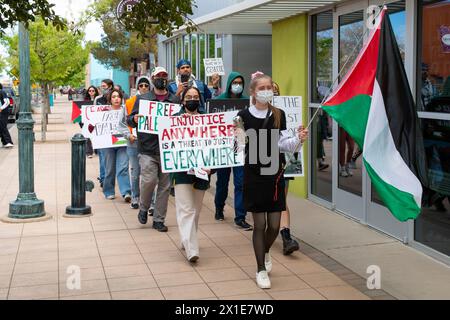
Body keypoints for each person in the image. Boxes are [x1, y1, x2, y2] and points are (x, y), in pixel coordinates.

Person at [237, 72, 308, 289]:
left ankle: (266, 250)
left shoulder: (279, 114)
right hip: (253, 176)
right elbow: (239, 147)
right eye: (262, 88)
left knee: (274, 226)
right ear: (253, 91)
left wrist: (299, 139)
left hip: (275, 174)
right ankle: (260, 269)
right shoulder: (242, 116)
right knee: (260, 224)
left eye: (269, 87)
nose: (266, 91)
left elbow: (286, 144)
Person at [127, 66, 179, 232]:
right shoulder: (143, 99)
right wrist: (134, 118)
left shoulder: (174, 101)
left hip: (167, 149)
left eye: (164, 76)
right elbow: (129, 120)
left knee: (164, 187)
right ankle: (143, 207)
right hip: (147, 148)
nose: (162, 78)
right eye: (159, 76)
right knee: (148, 181)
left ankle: (159, 219)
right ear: (153, 78)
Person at [172, 87, 214, 262]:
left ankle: (187, 238)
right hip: (181, 172)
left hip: (202, 171)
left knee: (195, 211)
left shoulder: (209, 120)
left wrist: (213, 166)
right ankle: (192, 250)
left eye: (196, 97)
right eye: (188, 96)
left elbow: (216, 146)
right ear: (182, 100)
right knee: (186, 209)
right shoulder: (174, 120)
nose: (192, 99)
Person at [214, 71, 252, 230]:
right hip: (223, 147)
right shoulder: (218, 101)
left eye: (240, 83)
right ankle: (219, 207)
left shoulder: (247, 102)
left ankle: (240, 217)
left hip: (240, 147)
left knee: (240, 182)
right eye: (235, 82)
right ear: (229, 83)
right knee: (222, 181)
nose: (237, 85)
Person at [272, 81, 300, 255]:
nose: (272, 93)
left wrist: (300, 136)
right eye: (268, 90)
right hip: (262, 165)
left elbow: (290, 141)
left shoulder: (285, 112)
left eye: (275, 90)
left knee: (281, 199)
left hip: (284, 162)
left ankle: (286, 237)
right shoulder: (253, 113)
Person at [121, 75, 152, 209]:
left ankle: (149, 201)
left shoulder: (154, 101)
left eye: (146, 85)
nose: (144, 88)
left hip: (149, 143)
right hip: (133, 142)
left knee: (149, 174)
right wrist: (128, 135)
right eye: (141, 85)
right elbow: (123, 123)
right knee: (135, 172)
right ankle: (135, 197)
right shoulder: (129, 102)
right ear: (137, 87)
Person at [99, 89, 132, 201]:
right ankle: (108, 191)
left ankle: (126, 192)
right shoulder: (103, 111)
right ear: (110, 99)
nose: (116, 99)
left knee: (123, 168)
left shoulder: (126, 110)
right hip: (107, 144)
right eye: (113, 97)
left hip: (122, 142)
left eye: (118, 96)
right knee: (109, 168)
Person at [94, 79, 114, 188]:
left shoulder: (116, 98)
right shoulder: (98, 99)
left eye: (104, 86)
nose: (102, 88)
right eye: (101, 86)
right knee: (102, 157)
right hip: (101, 133)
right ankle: (103, 178)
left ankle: (108, 177)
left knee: (110, 159)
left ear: (110, 86)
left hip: (113, 132)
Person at [83, 86, 99, 158]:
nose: (91, 92)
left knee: (97, 135)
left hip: (97, 120)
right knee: (87, 136)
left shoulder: (98, 100)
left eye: (93, 91)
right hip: (87, 120)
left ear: (95, 91)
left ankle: (97, 150)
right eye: (90, 91)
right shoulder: (85, 100)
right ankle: (89, 152)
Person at [0, 84, 13, 148]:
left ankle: (8, 142)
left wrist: (1, 108)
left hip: (3, 112)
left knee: (3, 126)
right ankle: (5, 142)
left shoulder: (2, 92)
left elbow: (7, 102)